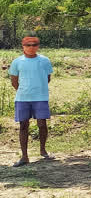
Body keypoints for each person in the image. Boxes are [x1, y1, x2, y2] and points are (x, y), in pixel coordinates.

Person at [8, 34, 54, 167]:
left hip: (40, 97)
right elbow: (14, 81)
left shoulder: (45, 60)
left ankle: (43, 151)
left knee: (42, 124)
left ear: (38, 46)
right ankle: (24, 156)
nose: (31, 47)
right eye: (28, 45)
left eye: (34, 45)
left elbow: (48, 78)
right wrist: (24, 91)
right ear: (23, 47)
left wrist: (38, 89)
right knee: (23, 126)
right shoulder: (17, 62)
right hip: (22, 98)